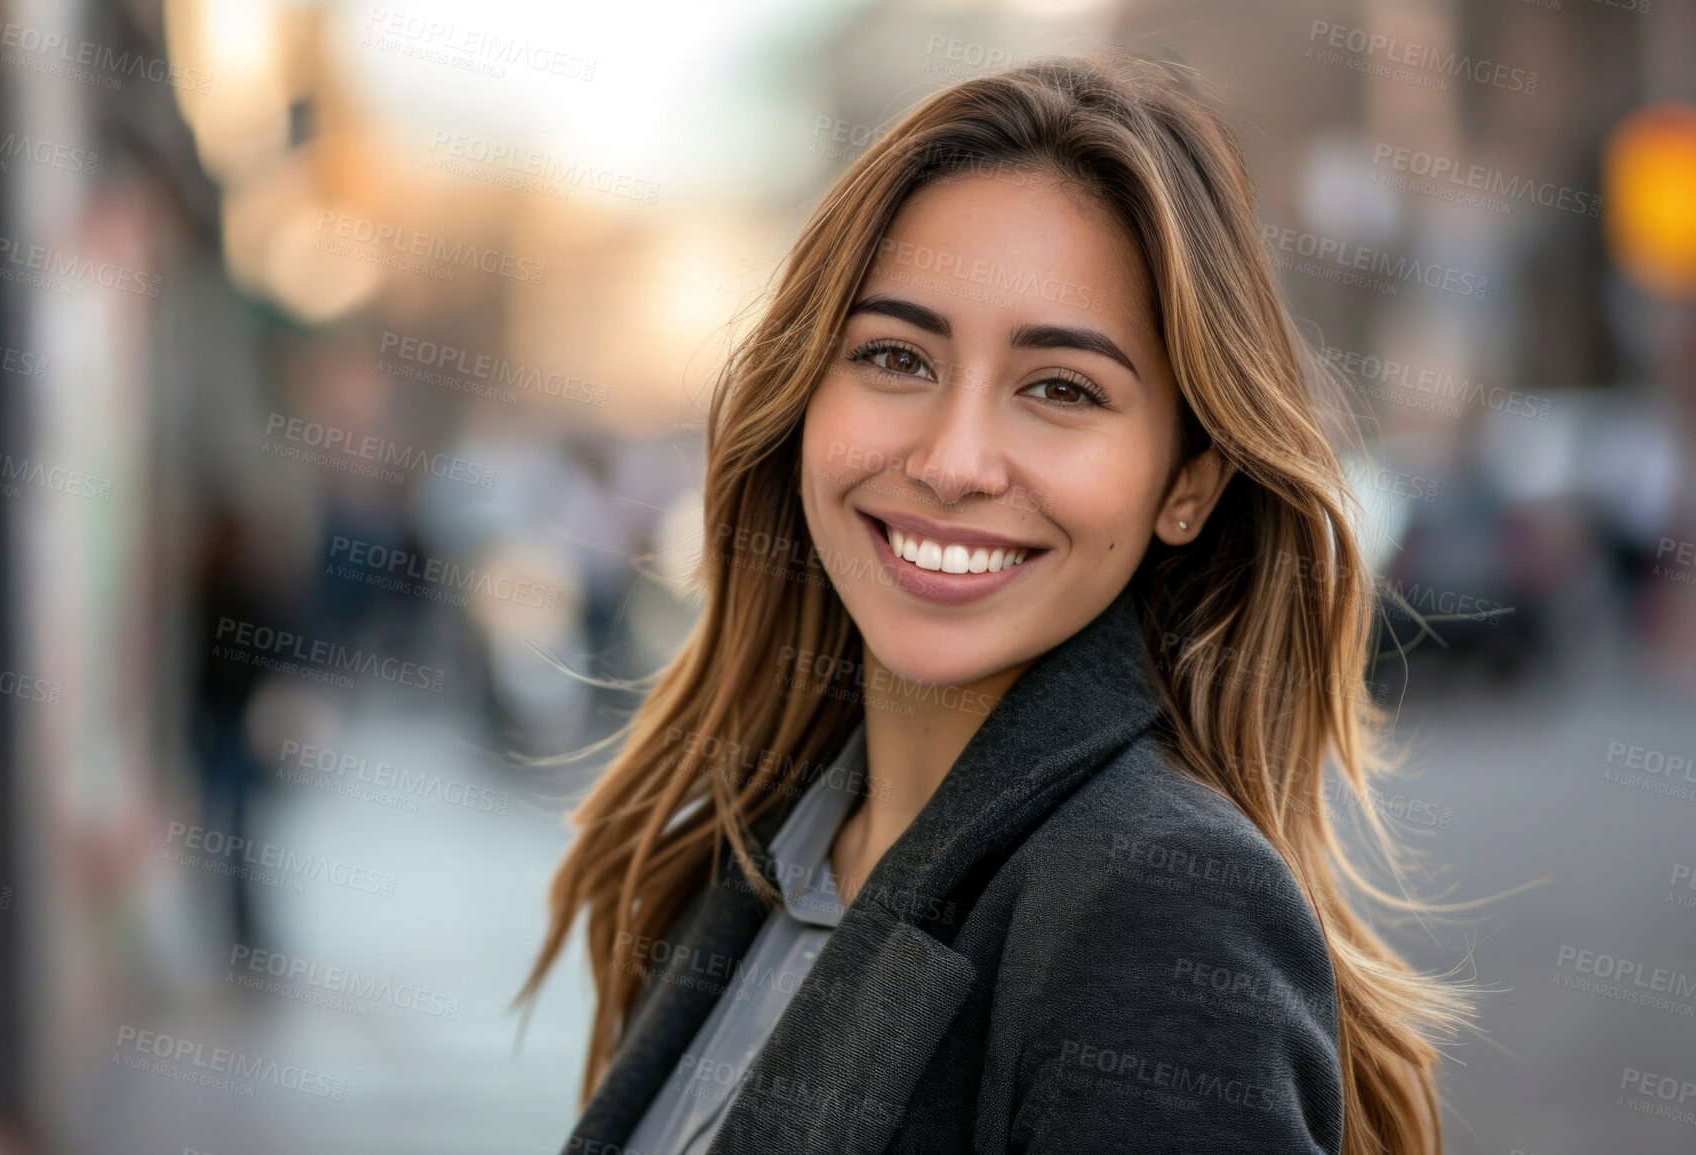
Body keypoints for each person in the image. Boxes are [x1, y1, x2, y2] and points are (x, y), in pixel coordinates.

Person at [516, 51, 1471, 1155]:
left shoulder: (1164, 911)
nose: (954, 461)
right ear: (801, 398)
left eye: (1060, 389)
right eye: (894, 357)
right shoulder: (744, 854)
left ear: (1187, 484)